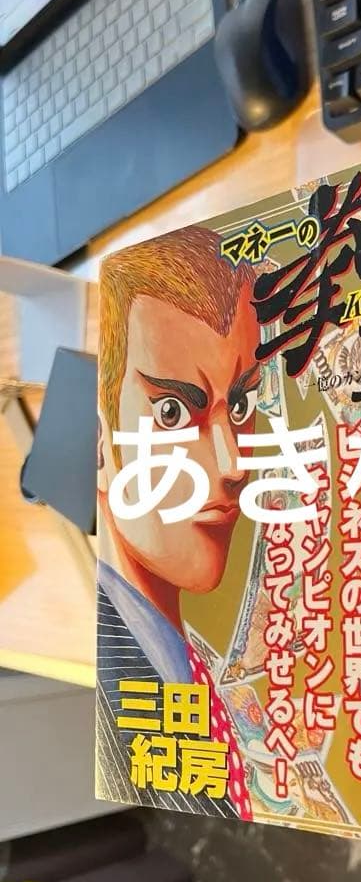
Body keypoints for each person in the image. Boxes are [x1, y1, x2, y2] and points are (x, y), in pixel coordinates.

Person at [96, 225, 259, 819]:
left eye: (241, 404)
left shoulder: (173, 661)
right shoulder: (125, 704)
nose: (233, 463)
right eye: (171, 411)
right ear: (101, 443)